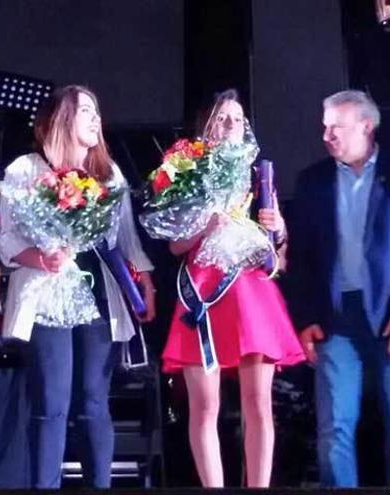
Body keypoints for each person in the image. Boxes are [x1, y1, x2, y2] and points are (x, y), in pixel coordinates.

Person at [0, 85, 156, 489]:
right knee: (52, 403)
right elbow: (8, 241)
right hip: (48, 293)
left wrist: (146, 285)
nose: (95, 119)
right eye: (85, 110)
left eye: (96, 111)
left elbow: (127, 240)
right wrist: (43, 257)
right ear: (61, 118)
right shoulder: (25, 170)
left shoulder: (110, 173)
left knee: (94, 401)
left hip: (99, 295)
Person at [160, 89, 304, 488]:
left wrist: (278, 229)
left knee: (258, 402)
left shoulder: (259, 177)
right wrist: (206, 225)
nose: (230, 125)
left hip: (249, 291)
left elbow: (279, 251)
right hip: (203, 290)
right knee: (204, 406)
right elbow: (174, 245)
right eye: (222, 118)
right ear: (206, 127)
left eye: (237, 119)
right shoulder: (185, 172)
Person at [287, 90, 390, 487]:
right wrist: (305, 319)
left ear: (367, 125)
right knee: (335, 428)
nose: (327, 135)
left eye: (337, 126)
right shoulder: (312, 181)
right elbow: (300, 259)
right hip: (335, 318)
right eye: (324, 127)